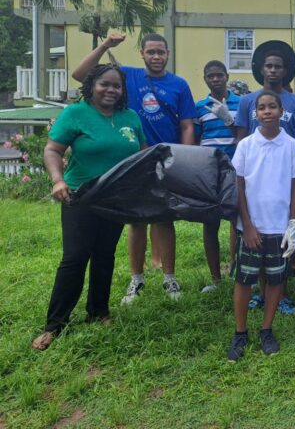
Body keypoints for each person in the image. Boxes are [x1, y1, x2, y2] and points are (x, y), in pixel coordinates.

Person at [71, 32, 196, 302]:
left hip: (166, 161)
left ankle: (170, 279)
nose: (156, 56)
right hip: (132, 161)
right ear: (142, 53)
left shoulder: (179, 84)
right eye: (151, 51)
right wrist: (105, 45)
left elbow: (187, 124)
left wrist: (184, 157)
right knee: (135, 220)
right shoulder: (127, 76)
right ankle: (136, 280)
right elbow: (81, 75)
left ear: (168, 54)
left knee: (165, 219)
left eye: (161, 52)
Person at [32, 64, 146, 350]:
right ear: (92, 85)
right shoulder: (75, 113)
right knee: (75, 257)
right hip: (79, 196)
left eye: (116, 86)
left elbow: (141, 153)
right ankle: (55, 324)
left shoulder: (130, 117)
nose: (110, 90)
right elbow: (52, 149)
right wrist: (58, 180)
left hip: (115, 198)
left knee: (105, 254)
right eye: (104, 84)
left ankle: (98, 312)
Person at [228, 91, 295, 360]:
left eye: (272, 106)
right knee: (244, 279)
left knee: (276, 280)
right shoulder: (246, 145)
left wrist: (292, 224)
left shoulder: (292, 146)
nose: (267, 111)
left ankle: (266, 329)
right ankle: (240, 333)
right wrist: (247, 226)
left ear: (281, 111)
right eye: (261, 108)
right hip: (252, 227)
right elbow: (238, 186)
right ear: (255, 113)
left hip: (279, 226)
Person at [235, 40, 295, 315]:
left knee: (281, 241)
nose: (273, 70)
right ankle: (258, 292)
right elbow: (241, 138)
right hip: (255, 178)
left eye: (278, 66)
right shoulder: (247, 101)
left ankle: (282, 293)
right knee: (254, 238)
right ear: (261, 69)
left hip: (284, 174)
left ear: (285, 70)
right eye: (269, 66)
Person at [194, 60, 240, 293]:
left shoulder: (241, 104)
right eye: (210, 76)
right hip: (208, 172)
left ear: (227, 76)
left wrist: (228, 119)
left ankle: (234, 270)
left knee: (235, 220)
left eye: (219, 75)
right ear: (205, 79)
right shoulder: (199, 107)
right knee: (209, 222)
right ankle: (215, 279)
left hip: (234, 170)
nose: (215, 79)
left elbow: (244, 136)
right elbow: (194, 140)